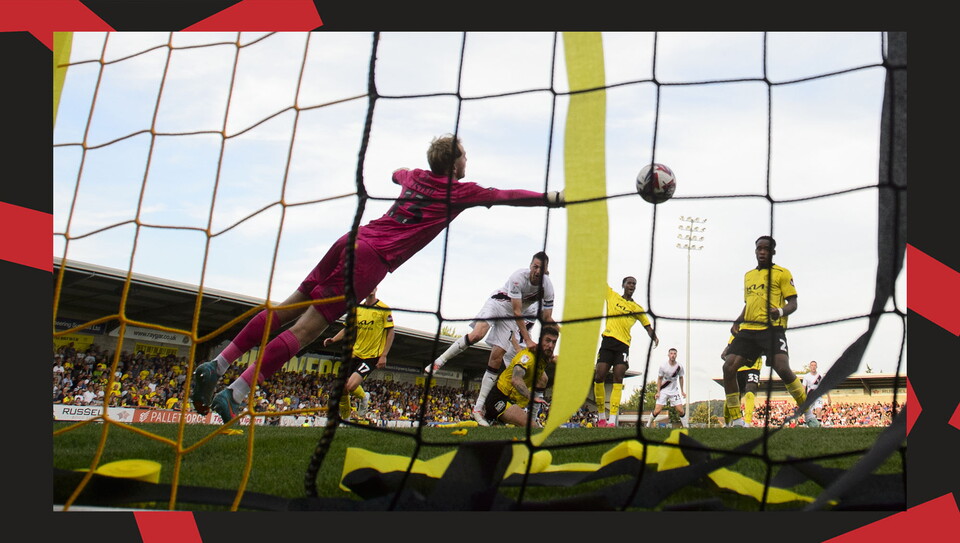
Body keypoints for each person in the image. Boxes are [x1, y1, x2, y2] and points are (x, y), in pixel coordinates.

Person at [189, 134, 565, 423]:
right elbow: (506, 195)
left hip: (350, 238)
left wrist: (408, 178)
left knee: (286, 308)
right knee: (306, 330)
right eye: (464, 156)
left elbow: (397, 173)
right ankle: (237, 392)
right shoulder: (458, 192)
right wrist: (551, 197)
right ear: (453, 165)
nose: (468, 161)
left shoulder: (415, 177)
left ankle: (219, 363)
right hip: (372, 258)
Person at [427, 252, 557, 426]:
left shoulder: (548, 288)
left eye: (541, 268)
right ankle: (439, 361)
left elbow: (547, 318)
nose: (537, 271)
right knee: (477, 334)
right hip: (498, 305)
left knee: (496, 358)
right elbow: (518, 311)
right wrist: (527, 340)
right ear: (530, 266)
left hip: (510, 318)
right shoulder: (518, 277)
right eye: (535, 266)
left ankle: (478, 409)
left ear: (546, 270)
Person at [721, 236, 813, 428]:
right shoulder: (748, 276)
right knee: (728, 367)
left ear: (773, 252)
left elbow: (793, 303)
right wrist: (738, 320)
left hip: (772, 329)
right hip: (749, 329)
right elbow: (749, 303)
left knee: (782, 368)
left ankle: (808, 412)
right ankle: (738, 420)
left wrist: (779, 312)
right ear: (755, 251)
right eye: (759, 249)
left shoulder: (782, 273)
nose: (762, 252)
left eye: (766, 249)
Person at [322, 287, 395, 422]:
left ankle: (364, 396)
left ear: (377, 288)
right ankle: (345, 418)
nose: (371, 288)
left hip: (372, 356)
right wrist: (334, 339)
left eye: (374, 286)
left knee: (350, 386)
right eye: (370, 285)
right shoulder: (357, 308)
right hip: (355, 353)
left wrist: (384, 355)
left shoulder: (384, 309)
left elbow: (391, 332)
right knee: (343, 387)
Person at [593, 276, 658, 428]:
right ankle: (601, 416)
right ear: (623, 285)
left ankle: (611, 420)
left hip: (623, 345)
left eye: (634, 284)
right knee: (599, 375)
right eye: (629, 283)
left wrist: (654, 337)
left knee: (618, 378)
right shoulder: (612, 296)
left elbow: (646, 325)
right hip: (608, 341)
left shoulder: (637, 308)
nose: (632, 285)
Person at [483, 325, 559, 427]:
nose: (550, 345)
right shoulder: (528, 357)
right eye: (548, 341)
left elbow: (557, 359)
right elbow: (516, 380)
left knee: (544, 378)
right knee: (533, 429)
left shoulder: (545, 356)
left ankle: (531, 418)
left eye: (554, 342)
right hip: (501, 399)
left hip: (515, 402)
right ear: (540, 340)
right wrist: (531, 397)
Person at [720, 334, 763, 426]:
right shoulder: (737, 333)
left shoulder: (762, 332)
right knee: (733, 396)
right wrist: (733, 362)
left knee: (750, 392)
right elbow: (723, 354)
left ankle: (747, 423)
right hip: (737, 370)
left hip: (753, 368)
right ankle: (727, 423)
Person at [647, 347, 686, 428]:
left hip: (674, 391)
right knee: (657, 410)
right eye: (671, 353)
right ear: (668, 355)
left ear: (676, 355)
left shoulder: (679, 367)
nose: (673, 355)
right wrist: (658, 392)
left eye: (674, 354)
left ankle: (686, 426)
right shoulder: (663, 366)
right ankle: (648, 424)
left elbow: (681, 378)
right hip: (664, 390)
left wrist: (682, 391)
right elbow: (659, 379)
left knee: (681, 410)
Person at [801, 360, 830, 426]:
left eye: (814, 365)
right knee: (808, 413)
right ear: (810, 367)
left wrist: (829, 397)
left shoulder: (820, 375)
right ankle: (807, 425)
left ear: (816, 366)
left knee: (818, 410)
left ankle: (818, 425)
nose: (813, 367)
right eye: (812, 365)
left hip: (818, 396)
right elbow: (803, 388)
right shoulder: (806, 376)